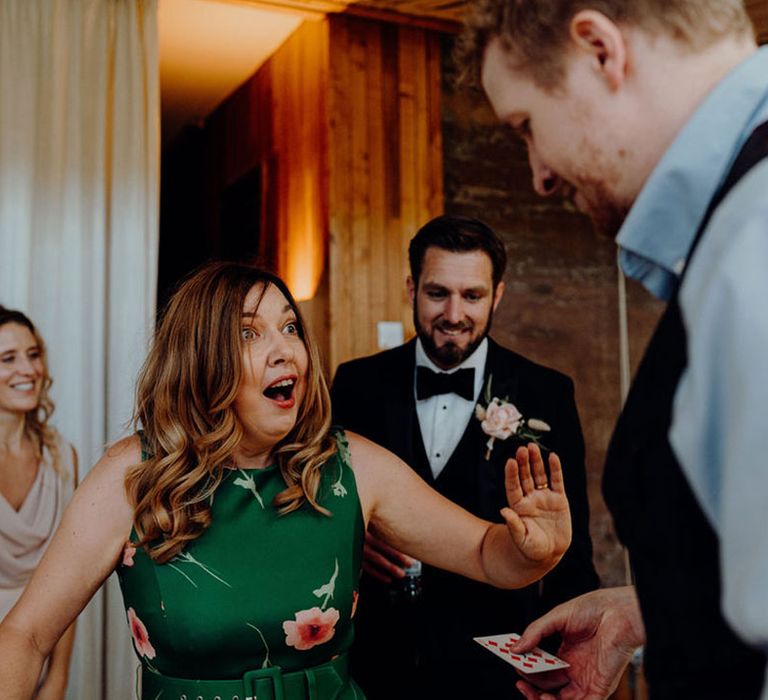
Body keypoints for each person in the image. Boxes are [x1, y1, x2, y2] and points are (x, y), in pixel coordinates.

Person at [0, 261, 574, 700]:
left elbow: (485, 552)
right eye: (250, 334)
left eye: (290, 327)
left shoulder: (353, 467)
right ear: (201, 359)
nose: (285, 351)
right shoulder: (131, 477)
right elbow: (24, 638)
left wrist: (533, 551)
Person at [456, 0, 768, 698]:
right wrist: (648, 610)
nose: (537, 173)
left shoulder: (758, 240)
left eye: (527, 128)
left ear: (600, 49)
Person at [331, 215, 598, 698]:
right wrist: (351, 536)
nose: (454, 314)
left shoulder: (547, 393)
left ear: (497, 295)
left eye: (472, 296)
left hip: (498, 672)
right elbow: (319, 507)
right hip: (376, 665)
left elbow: (571, 553)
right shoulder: (356, 384)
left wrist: (563, 667)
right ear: (412, 288)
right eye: (437, 293)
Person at [0, 306, 77, 700]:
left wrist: (57, 678)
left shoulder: (63, 458)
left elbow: (67, 582)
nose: (27, 369)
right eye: (7, 359)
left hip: (38, 656)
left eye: (33, 354)